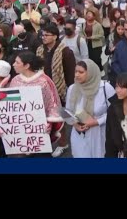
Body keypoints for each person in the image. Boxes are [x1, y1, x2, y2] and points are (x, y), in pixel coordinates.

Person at [9, 51, 65, 157]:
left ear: (27, 66)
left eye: (17, 62)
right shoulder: (15, 80)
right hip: (21, 128)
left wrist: (48, 124)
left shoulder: (43, 82)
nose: (13, 64)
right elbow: (11, 105)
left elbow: (52, 105)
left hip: (39, 129)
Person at [36, 24, 76, 157]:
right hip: (44, 89)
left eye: (46, 35)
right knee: (47, 119)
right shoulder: (40, 50)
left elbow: (71, 74)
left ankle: (63, 143)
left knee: (61, 118)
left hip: (61, 90)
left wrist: (70, 92)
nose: (43, 37)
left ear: (55, 36)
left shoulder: (65, 51)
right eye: (42, 34)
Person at [65, 59, 116, 158]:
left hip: (100, 134)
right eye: (76, 71)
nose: (77, 75)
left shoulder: (105, 88)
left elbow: (116, 113)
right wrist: (74, 124)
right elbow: (68, 112)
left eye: (81, 72)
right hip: (79, 135)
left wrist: (96, 122)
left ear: (91, 72)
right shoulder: (72, 89)